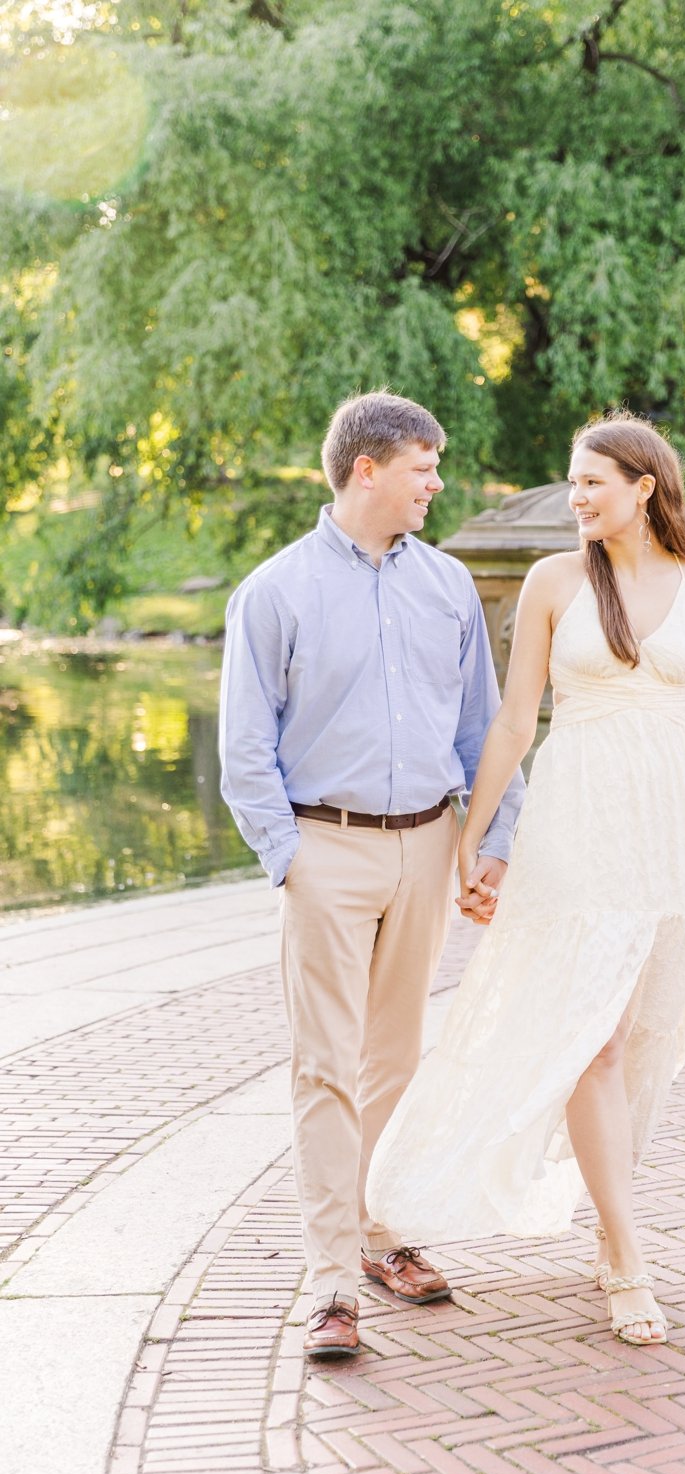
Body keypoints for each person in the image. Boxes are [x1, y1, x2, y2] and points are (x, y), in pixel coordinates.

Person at [368, 410, 685, 1347]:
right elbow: (513, 723)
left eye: (592, 481)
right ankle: (625, 1255)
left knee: (630, 1043)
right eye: (573, 480)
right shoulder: (554, 582)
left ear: (645, 487)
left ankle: (610, 1224)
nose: (577, 496)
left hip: (667, 829)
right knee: (588, 1040)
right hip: (578, 824)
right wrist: (476, 834)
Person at [218, 390, 524, 1359]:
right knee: (324, 1065)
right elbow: (243, 747)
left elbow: (482, 731)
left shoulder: (447, 588)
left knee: (394, 1058)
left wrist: (491, 840)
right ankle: (331, 1283)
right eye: (424, 467)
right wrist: (290, 858)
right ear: (367, 470)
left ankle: (380, 1230)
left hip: (428, 845)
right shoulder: (274, 591)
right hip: (327, 849)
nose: (437, 482)